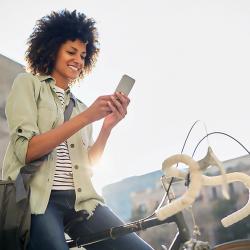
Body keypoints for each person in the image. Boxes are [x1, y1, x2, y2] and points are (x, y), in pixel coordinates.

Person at [2, 9, 154, 250]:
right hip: (40, 200)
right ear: (51, 50)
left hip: (83, 200)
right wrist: (85, 118)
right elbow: (26, 151)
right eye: (71, 52)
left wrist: (106, 127)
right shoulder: (28, 85)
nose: (78, 60)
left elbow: (88, 166)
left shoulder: (81, 106)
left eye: (83, 55)